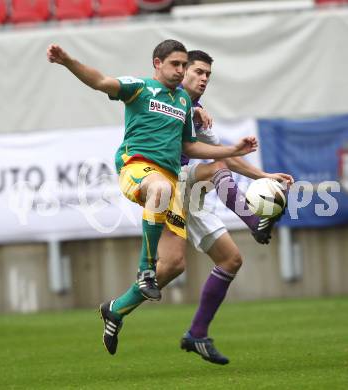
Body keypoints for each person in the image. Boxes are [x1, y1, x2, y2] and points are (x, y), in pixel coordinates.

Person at [47, 40, 258, 356]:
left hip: (170, 182)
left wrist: (233, 150)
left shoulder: (184, 102)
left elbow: (189, 148)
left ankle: (116, 309)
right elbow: (100, 81)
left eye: (184, 65)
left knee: (173, 264)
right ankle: (144, 269)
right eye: (176, 64)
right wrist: (68, 61)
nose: (181, 70)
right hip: (138, 168)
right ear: (157, 63)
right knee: (158, 189)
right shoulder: (139, 87)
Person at [155, 50, 294, 365]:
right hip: (162, 184)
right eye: (198, 72)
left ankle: (194, 334)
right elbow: (216, 157)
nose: (204, 79)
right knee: (216, 168)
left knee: (230, 260)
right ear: (179, 71)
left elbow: (226, 154)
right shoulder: (165, 101)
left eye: (208, 75)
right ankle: (255, 221)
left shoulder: (196, 109)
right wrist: (190, 112)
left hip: (187, 188)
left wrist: (265, 175)